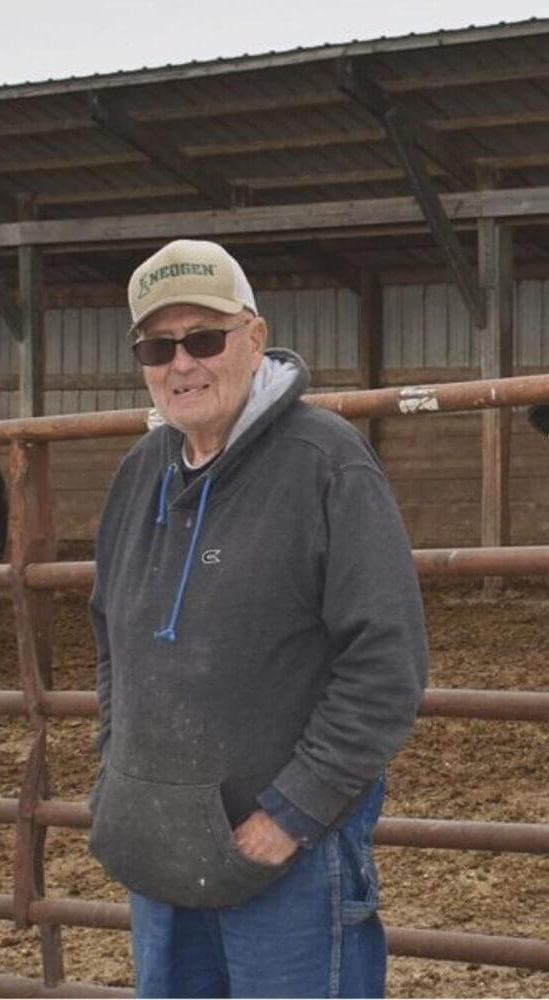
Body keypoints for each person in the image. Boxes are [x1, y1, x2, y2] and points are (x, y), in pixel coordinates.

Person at [89, 238, 429, 999]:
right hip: (161, 852)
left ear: (254, 337)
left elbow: (387, 662)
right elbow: (109, 631)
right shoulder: (139, 474)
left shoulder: (326, 464)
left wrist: (293, 812)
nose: (182, 364)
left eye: (204, 339)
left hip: (286, 859)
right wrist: (119, 773)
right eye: (157, 346)